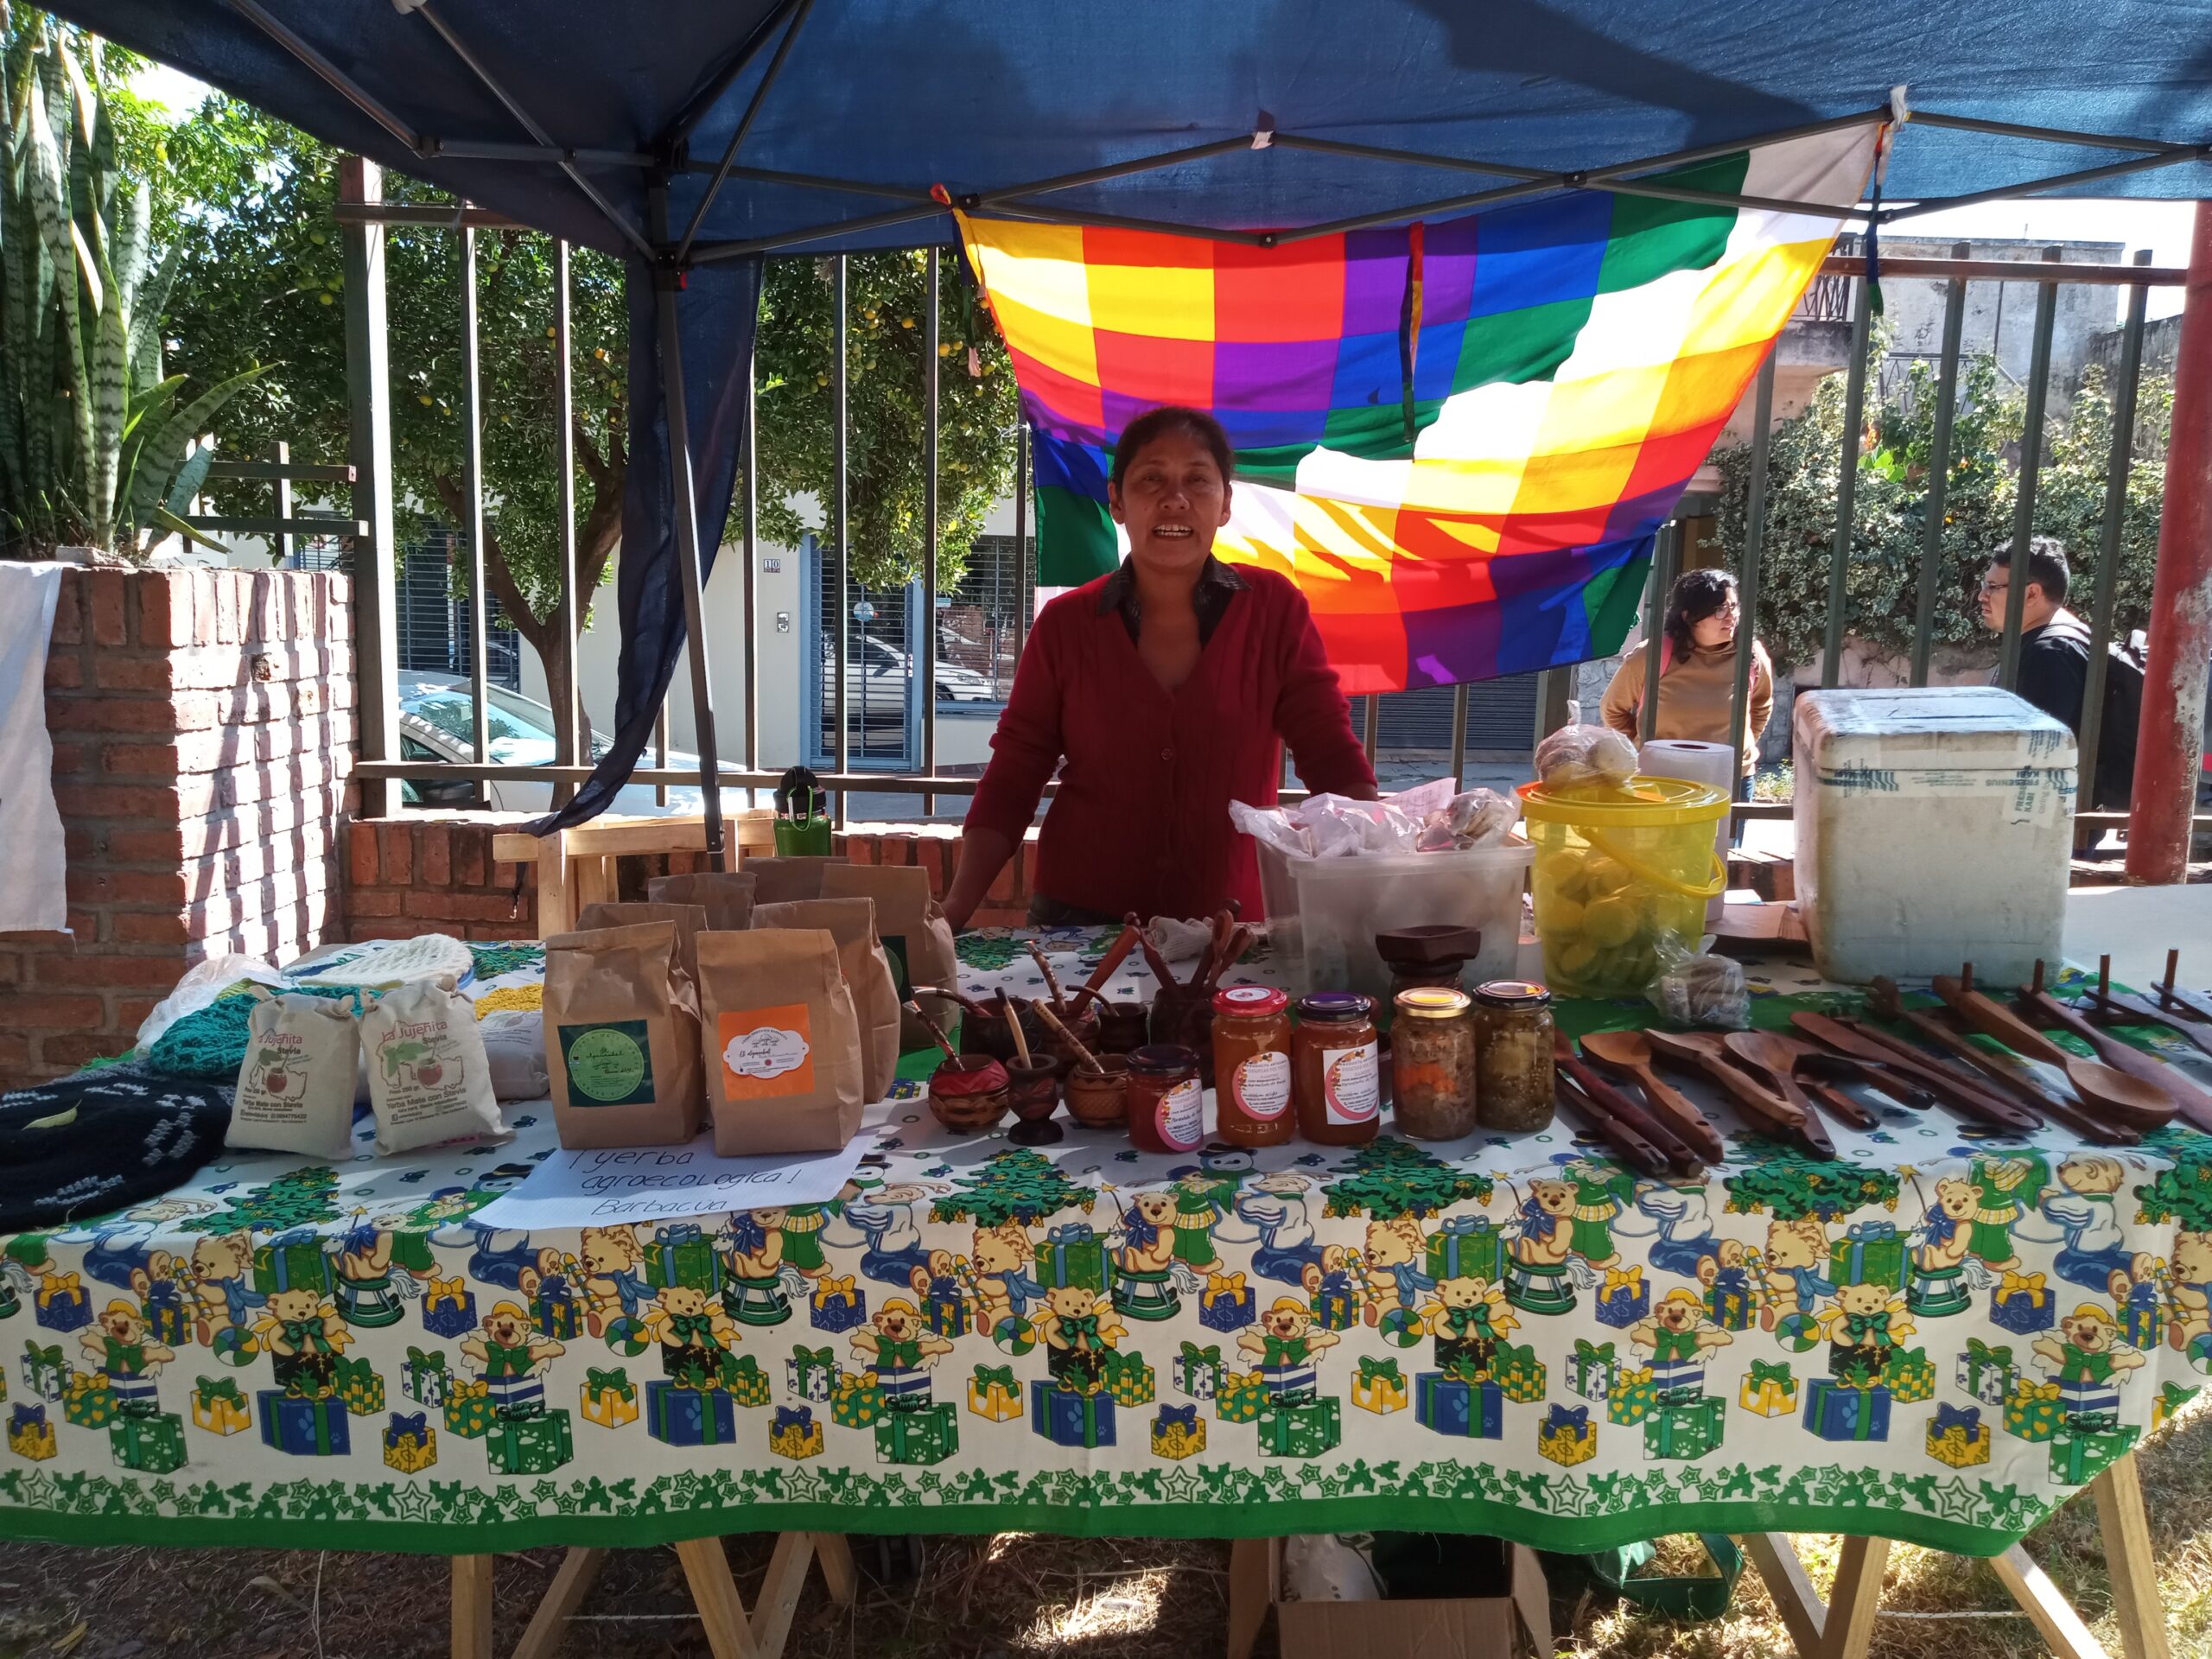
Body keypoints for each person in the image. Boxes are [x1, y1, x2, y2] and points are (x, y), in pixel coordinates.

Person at [943, 405, 1376, 930]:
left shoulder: (1274, 610)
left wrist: (1376, 887)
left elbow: (1331, 760)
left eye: (1197, 479)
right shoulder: (1065, 624)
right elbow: (1014, 776)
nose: (1175, 499)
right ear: (1117, 501)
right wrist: (952, 912)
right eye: (1152, 479)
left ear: (1225, 504)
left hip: (1231, 932)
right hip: (1077, 927)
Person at [1979, 536, 2138, 810]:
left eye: (1993, 587)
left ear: (2032, 594)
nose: (1982, 596)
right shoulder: (2067, 634)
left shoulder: (2050, 651)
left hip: (2051, 820)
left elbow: (2037, 756)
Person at [1598, 567, 1773, 790]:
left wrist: (1741, 749)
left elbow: (1761, 706)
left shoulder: (1751, 655)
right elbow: (1612, 709)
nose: (1731, 617)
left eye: (1734, 607)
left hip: (1730, 779)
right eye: (1720, 610)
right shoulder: (1652, 655)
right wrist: (1640, 747)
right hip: (1662, 778)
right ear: (1689, 616)